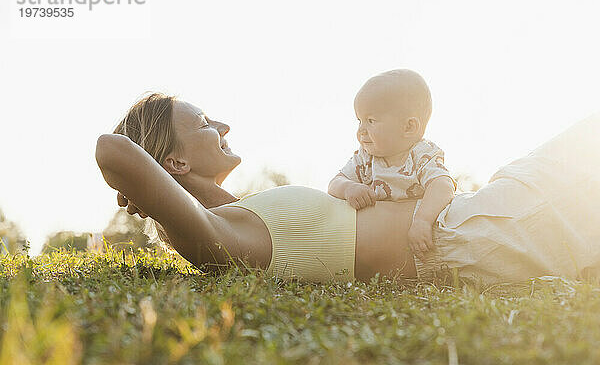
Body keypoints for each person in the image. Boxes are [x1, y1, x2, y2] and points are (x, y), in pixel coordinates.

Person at [96, 92, 600, 285]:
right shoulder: (223, 238)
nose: (223, 124)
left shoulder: (236, 216)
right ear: (174, 160)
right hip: (471, 234)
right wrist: (144, 187)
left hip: (475, 218)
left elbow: (141, 170)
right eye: (204, 121)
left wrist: (150, 188)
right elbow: (110, 149)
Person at [327, 70, 457, 262]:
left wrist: (422, 221)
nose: (361, 130)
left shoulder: (422, 155)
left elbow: (443, 186)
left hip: (412, 242)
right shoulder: (365, 159)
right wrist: (349, 187)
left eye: (370, 121)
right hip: (375, 242)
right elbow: (335, 183)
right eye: (359, 121)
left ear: (409, 127)